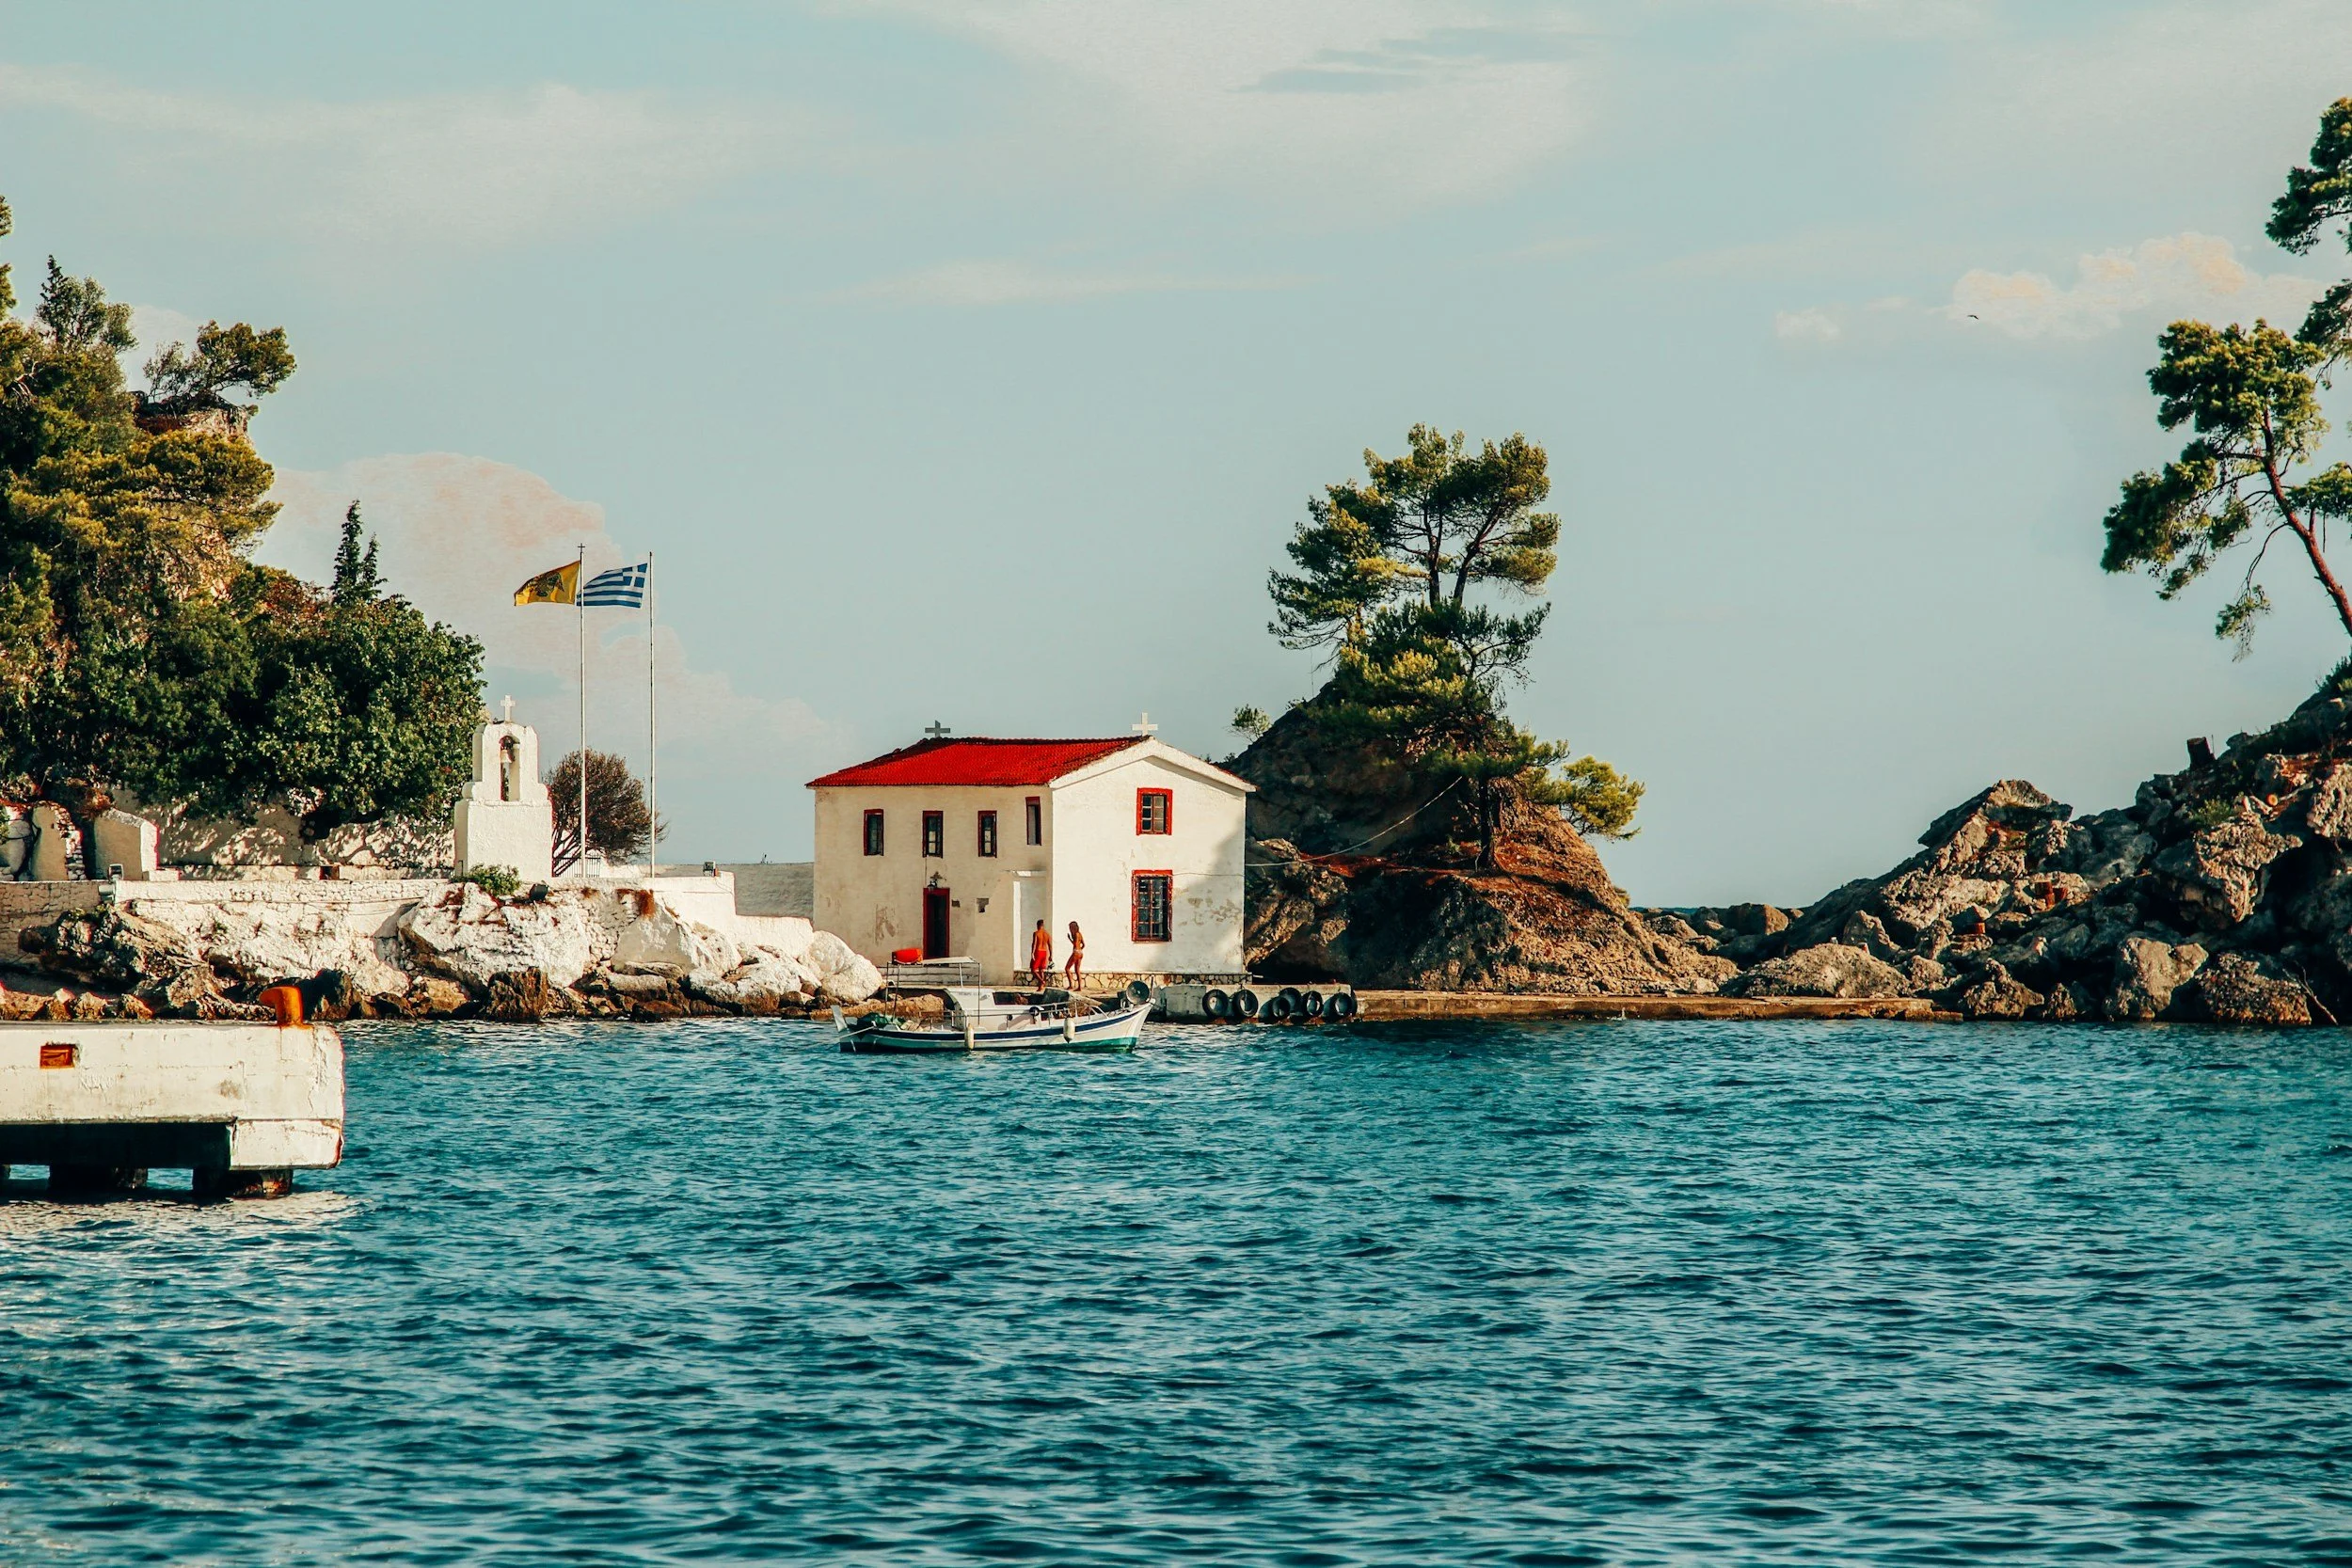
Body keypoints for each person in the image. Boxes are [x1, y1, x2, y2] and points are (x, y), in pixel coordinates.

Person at [1029, 919, 1053, 989]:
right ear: (1043, 925)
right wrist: (1051, 955)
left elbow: (1034, 943)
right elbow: (1050, 945)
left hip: (1038, 951)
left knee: (1033, 969)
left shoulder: (1036, 933)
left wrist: (1032, 953)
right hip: (1045, 952)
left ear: (1037, 925)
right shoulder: (1047, 934)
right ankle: (1041, 987)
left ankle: (1042, 981)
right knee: (1041, 969)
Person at [1063, 921, 1084, 988]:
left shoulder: (1076, 934)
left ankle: (1071, 985)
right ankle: (1080, 987)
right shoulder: (1080, 934)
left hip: (1076, 952)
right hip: (1080, 953)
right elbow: (1083, 944)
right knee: (1077, 970)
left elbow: (1075, 944)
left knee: (1067, 968)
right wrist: (1080, 949)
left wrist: (1070, 940)